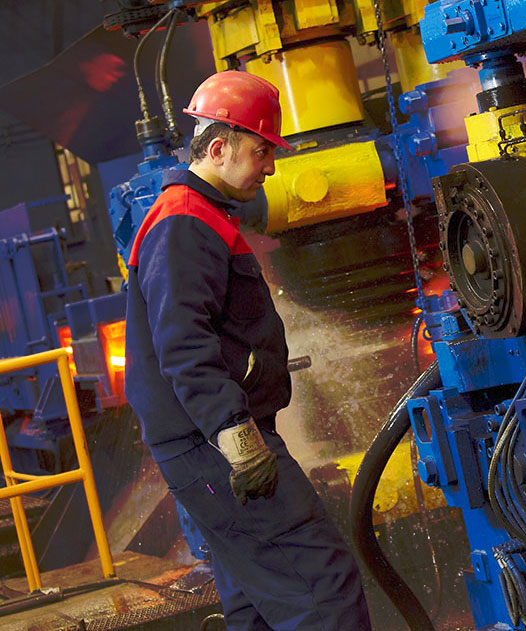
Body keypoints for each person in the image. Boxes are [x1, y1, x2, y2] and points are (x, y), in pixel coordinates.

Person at [124, 70, 372, 631]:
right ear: (219, 147)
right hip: (213, 443)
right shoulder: (185, 221)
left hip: (205, 440)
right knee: (321, 586)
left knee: (255, 603)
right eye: (262, 150)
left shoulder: (197, 216)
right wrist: (239, 441)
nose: (270, 165)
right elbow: (184, 345)